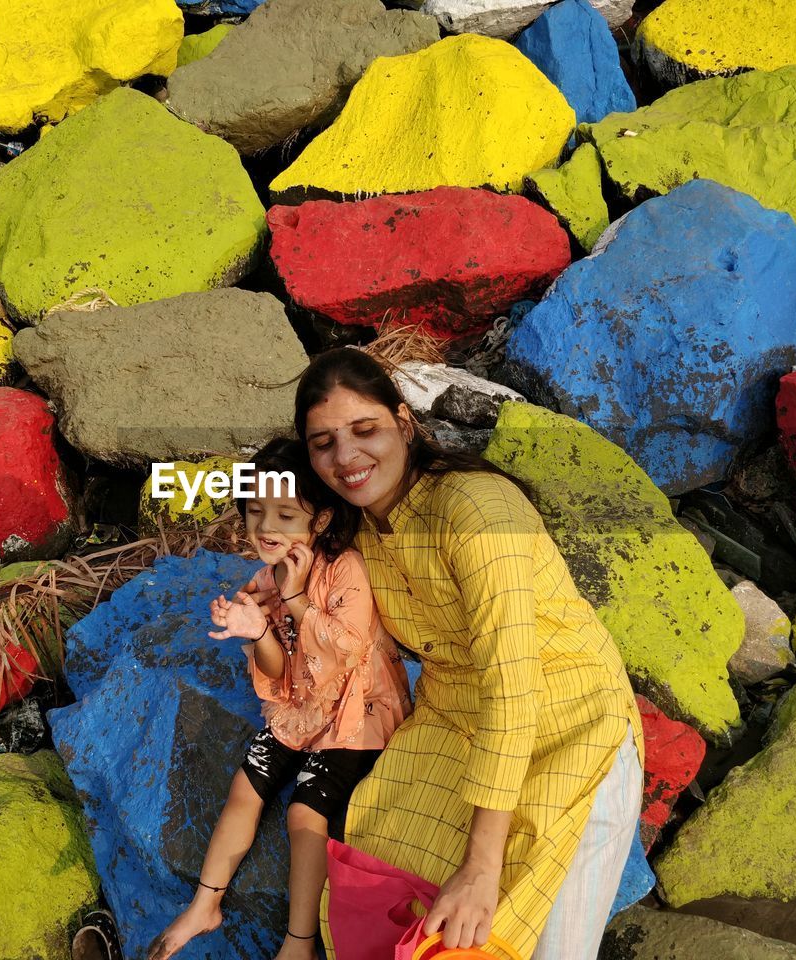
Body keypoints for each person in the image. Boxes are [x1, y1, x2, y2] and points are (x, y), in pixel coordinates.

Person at [294, 348, 644, 960]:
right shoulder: (359, 532)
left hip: (568, 720)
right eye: (323, 443)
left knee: (528, 943)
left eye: (365, 430)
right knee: (386, 906)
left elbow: (514, 685)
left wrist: (482, 869)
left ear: (405, 423)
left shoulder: (475, 510)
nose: (346, 458)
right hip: (453, 726)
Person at [147, 438, 412, 960]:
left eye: (286, 513)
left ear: (320, 520)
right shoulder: (264, 580)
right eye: (255, 511)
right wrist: (255, 631)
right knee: (244, 788)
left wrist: (293, 600)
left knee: (304, 814)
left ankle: (300, 942)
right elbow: (278, 673)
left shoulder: (345, 570)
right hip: (301, 709)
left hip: (356, 713)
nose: (267, 526)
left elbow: (343, 651)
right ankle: (206, 903)